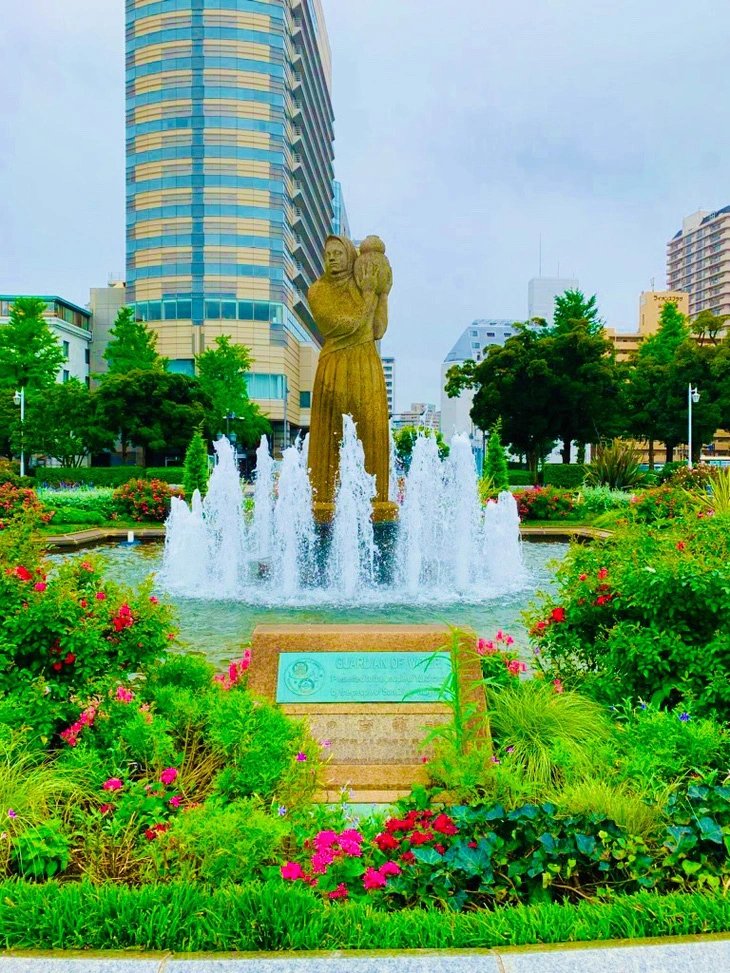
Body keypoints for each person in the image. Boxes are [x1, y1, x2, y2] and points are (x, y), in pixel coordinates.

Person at [307, 234, 394, 519]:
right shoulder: (318, 291)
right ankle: (323, 501)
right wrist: (369, 295)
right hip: (334, 366)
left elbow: (377, 329)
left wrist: (382, 294)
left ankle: (377, 501)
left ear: (350, 256)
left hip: (366, 363)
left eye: (338, 253)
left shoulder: (362, 284)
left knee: (373, 429)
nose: (332, 258)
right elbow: (342, 325)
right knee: (329, 436)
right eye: (328, 254)